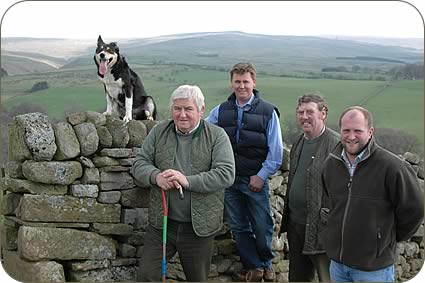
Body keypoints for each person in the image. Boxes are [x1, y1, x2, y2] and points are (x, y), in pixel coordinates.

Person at [131, 85, 235, 282]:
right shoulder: (159, 131)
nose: (182, 114)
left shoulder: (217, 136)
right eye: (177, 108)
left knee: (197, 279)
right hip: (162, 223)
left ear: (201, 110)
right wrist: (156, 177)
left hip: (199, 227)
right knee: (146, 276)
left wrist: (187, 181)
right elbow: (139, 163)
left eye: (188, 109)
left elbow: (226, 174)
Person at [321, 106, 423, 282]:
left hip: (373, 270)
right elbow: (329, 205)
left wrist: (385, 239)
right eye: (346, 130)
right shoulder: (331, 164)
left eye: (357, 131)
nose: (351, 136)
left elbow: (415, 209)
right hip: (337, 265)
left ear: (370, 131)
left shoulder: (392, 167)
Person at [206, 62, 283, 282]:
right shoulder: (221, 110)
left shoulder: (268, 112)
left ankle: (266, 263)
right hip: (229, 180)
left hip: (254, 179)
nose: (241, 86)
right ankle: (255, 267)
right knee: (239, 227)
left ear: (254, 83)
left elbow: (276, 151)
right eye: (237, 82)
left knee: (262, 225)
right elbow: (204, 131)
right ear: (232, 83)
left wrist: (261, 176)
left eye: (245, 82)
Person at [279, 93, 339, 282]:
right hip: (296, 224)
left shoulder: (337, 145)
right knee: (298, 277)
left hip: (323, 229)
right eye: (300, 112)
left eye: (310, 112)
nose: (304, 116)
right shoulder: (299, 142)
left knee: (327, 277)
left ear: (323, 113)